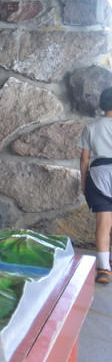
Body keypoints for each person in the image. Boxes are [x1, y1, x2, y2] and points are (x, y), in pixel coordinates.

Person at [79, 86, 112, 284]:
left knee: (103, 223)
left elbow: (84, 158)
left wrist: (84, 183)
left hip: (99, 175)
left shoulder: (91, 126)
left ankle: (104, 269)